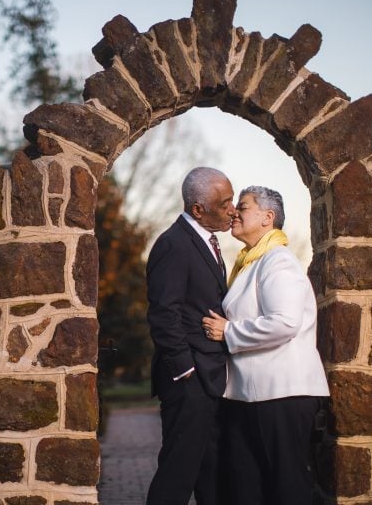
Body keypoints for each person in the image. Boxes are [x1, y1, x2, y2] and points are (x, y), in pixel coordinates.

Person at [201, 185, 330, 505]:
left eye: (242, 207)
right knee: (247, 487)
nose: (233, 212)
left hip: (282, 394)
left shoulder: (278, 262)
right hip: (251, 395)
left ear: (267, 217)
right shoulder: (251, 263)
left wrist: (229, 332)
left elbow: (285, 322)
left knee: (287, 486)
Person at [146, 167, 235, 505]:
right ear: (198, 209)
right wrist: (185, 371)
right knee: (177, 474)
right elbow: (162, 313)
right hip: (189, 382)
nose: (232, 209)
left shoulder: (207, 242)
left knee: (210, 472)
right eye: (224, 203)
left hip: (209, 378)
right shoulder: (173, 244)